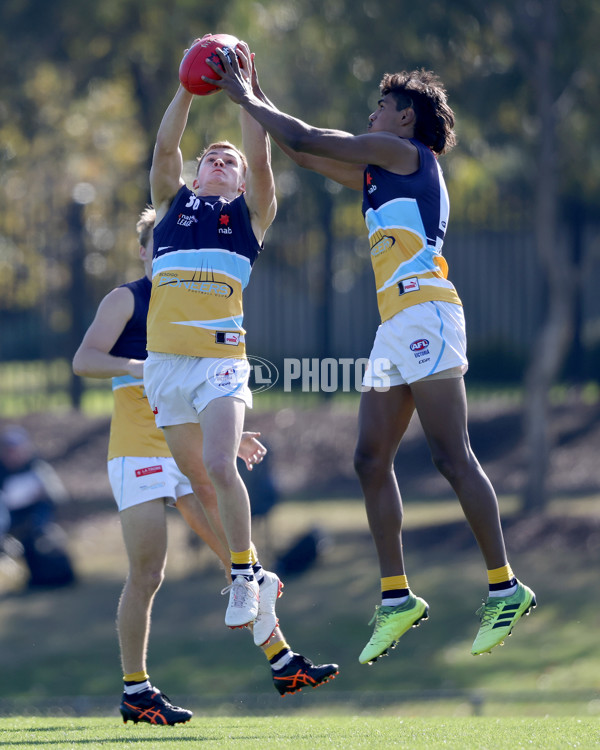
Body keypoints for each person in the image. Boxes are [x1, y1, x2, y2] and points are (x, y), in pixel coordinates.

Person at [207, 52, 537, 662]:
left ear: (406, 119)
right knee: (367, 458)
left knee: (449, 454)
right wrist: (254, 97)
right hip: (395, 325)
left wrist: (249, 98)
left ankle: (505, 586)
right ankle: (395, 598)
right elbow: (304, 153)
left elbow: (309, 136)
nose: (370, 114)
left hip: (427, 312)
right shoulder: (377, 171)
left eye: (380, 107)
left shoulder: (408, 156)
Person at [73, 205, 337, 725]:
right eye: (156, 242)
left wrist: (230, 437)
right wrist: (141, 366)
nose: (167, 249)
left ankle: (283, 662)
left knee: (242, 565)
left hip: (185, 447)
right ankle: (136, 690)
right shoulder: (126, 299)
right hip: (139, 449)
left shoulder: (201, 300)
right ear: (146, 250)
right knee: (148, 572)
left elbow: (211, 385)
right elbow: (84, 360)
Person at [0, 426, 76, 589]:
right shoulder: (2, 472)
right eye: (9, 451)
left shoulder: (38, 468)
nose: (13, 455)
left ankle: (58, 578)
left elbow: (58, 496)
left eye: (16, 450)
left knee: (46, 544)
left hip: (39, 518)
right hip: (11, 522)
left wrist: (43, 494)